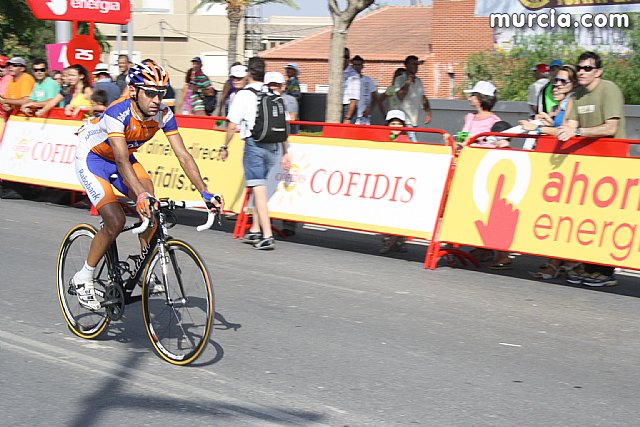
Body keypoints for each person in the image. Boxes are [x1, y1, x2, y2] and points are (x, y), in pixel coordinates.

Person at [71, 60, 223, 310]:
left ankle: (144, 269)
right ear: (134, 91)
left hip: (124, 160)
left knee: (152, 206)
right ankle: (84, 275)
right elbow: (120, 160)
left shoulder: (163, 114)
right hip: (94, 160)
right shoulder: (117, 114)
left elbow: (183, 155)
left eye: (161, 93)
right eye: (150, 93)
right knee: (115, 219)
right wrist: (139, 195)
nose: (156, 99)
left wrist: (205, 192)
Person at [556, 51, 625, 287]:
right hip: (587, 165)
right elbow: (572, 123)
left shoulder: (609, 89)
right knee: (586, 218)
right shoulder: (577, 95)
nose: (582, 72)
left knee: (607, 219)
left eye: (587, 68)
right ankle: (588, 266)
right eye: (580, 68)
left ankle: (605, 271)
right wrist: (565, 130)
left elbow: (610, 127)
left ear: (598, 71)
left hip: (612, 162)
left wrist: (578, 132)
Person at [219, 57, 291, 250]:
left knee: (257, 188)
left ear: (249, 73)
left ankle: (267, 235)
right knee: (260, 190)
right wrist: (285, 152)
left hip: (254, 145)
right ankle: (255, 230)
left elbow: (232, 125)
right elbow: (283, 124)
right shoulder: (272, 93)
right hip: (274, 147)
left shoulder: (243, 95)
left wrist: (224, 146)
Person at [379, 110, 410, 254]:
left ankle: (396, 241)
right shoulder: (385, 138)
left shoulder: (405, 140)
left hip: (401, 181)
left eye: (398, 123)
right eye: (393, 123)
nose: (395, 126)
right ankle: (391, 240)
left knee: (399, 212)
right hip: (388, 179)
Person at [519, 64, 578, 139]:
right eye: (556, 80)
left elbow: (564, 131)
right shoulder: (565, 102)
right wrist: (550, 122)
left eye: (563, 81)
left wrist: (537, 128)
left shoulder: (574, 100)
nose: (557, 84)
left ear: (575, 83)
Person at [393, 55, 432, 142]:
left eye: (417, 64)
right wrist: (408, 82)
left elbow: (423, 97)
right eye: (413, 64)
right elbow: (400, 96)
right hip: (403, 120)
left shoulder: (418, 81)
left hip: (414, 120)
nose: (416, 66)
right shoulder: (399, 79)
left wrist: (428, 112)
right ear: (406, 65)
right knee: (413, 144)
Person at [459, 81, 501, 148]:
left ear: (480, 98)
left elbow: (495, 142)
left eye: (473, 94)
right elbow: (462, 136)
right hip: (466, 152)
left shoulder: (495, 120)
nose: (470, 97)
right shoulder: (470, 117)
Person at [351, 55, 378, 125]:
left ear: (362, 66)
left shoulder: (367, 80)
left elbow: (375, 96)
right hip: (351, 114)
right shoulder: (349, 80)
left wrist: (370, 109)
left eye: (359, 65)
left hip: (364, 115)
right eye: (355, 65)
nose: (357, 67)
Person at [342, 48, 360, 123]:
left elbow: (354, 99)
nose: (343, 59)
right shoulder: (336, 72)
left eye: (345, 57)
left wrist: (348, 117)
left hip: (347, 107)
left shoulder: (354, 75)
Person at [283, 62, 301, 134]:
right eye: (287, 69)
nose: (288, 71)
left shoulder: (294, 82)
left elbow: (296, 95)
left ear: (295, 72)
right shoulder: (289, 82)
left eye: (290, 69)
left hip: (291, 108)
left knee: (292, 127)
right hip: (288, 107)